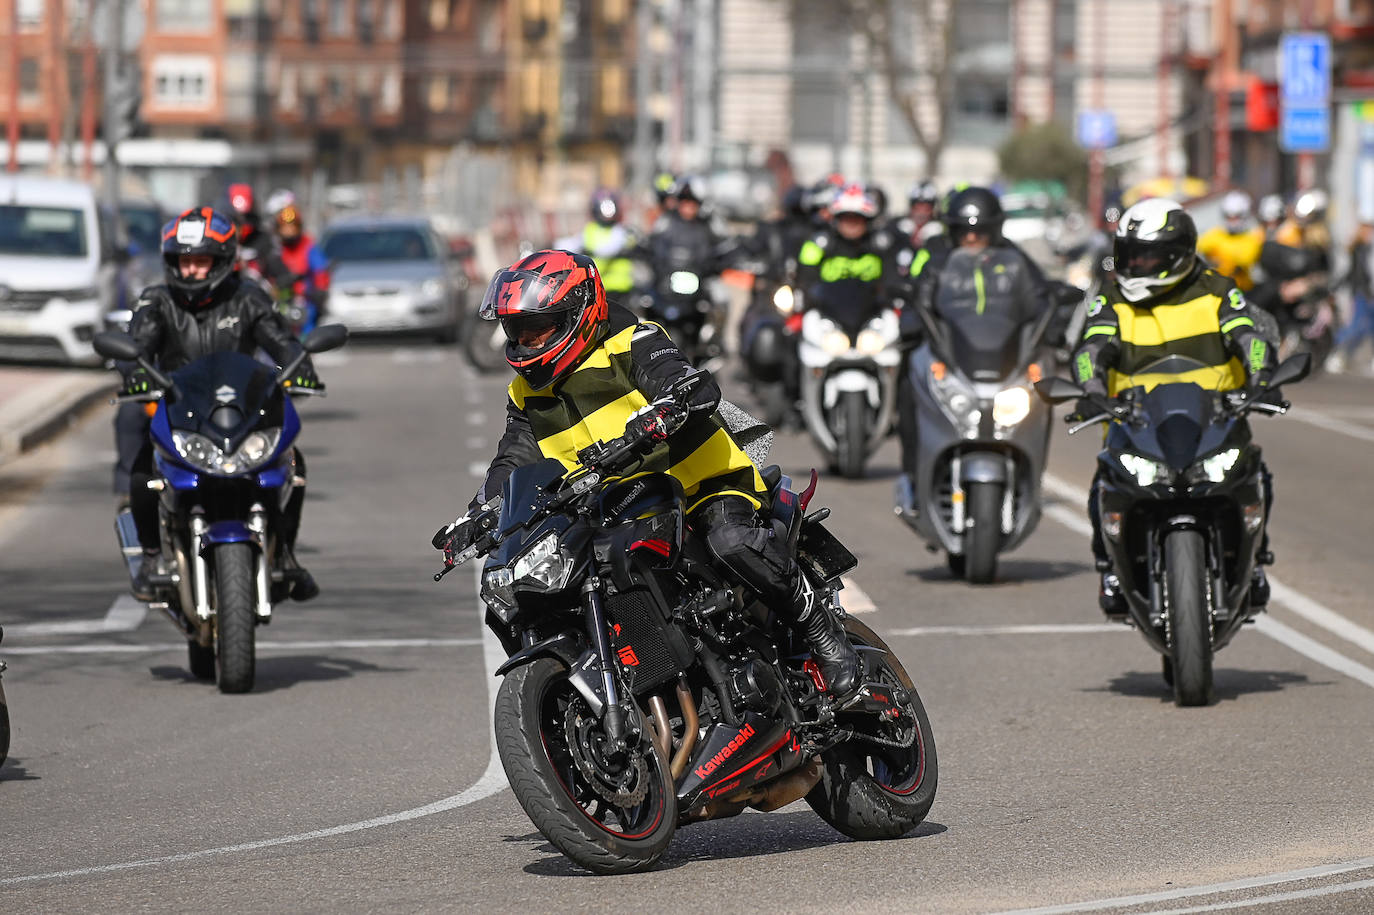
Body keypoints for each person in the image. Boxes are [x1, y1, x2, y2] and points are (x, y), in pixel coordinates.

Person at [433, 250, 860, 695]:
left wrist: (670, 405)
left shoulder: (633, 341)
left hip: (702, 485)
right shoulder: (524, 392)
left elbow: (684, 379)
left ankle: (823, 633)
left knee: (730, 542)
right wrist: (477, 514)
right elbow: (513, 459)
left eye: (538, 328)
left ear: (579, 313)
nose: (527, 341)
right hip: (615, 503)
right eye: (517, 330)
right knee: (523, 585)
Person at [1070, 198, 1277, 616]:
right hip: (1136, 422)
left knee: (1255, 473)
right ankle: (1110, 566)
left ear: (1179, 254)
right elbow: (1090, 349)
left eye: (1148, 255)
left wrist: (1261, 379)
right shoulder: (1111, 298)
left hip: (1215, 419)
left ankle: (1256, 560)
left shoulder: (1219, 291)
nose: (1136, 263)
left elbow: (1251, 338)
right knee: (1102, 485)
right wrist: (1092, 390)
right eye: (1130, 254)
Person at [123, 207, 322, 601]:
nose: (192, 270)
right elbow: (136, 345)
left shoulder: (248, 298)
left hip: (241, 414)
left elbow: (280, 341)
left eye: (201, 261)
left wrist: (299, 366)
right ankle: (150, 557)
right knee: (143, 473)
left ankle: (283, 552)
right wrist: (133, 369)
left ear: (223, 261)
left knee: (293, 465)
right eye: (184, 261)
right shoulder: (157, 301)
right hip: (182, 414)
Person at [895, 186, 1048, 500]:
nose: (972, 239)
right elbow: (917, 298)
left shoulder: (1016, 260)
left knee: (1044, 388)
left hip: (1002, 359)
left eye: (980, 232)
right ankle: (913, 473)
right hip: (951, 354)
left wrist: (1055, 322)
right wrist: (909, 322)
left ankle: (1033, 477)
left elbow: (1042, 297)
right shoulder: (937, 260)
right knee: (909, 382)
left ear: (995, 230)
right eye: (964, 232)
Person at [562, 189, 639, 297]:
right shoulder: (589, 230)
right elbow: (570, 244)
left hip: (619, 288)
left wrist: (590, 251)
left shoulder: (621, 231)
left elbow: (610, 248)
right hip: (595, 287)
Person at [274, 203, 331, 334]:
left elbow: (320, 271)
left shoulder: (308, 246)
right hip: (282, 299)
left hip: (305, 300)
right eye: (284, 228)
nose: (288, 231)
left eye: (292, 227)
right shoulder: (276, 249)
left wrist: (320, 291)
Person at [1326, 221, 1374, 373]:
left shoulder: (1365, 249)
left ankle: (1343, 356)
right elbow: (1355, 273)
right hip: (1362, 293)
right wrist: (1335, 286)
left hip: (1365, 293)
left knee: (1368, 327)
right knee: (1356, 326)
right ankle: (1337, 354)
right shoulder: (1360, 250)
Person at [225, 182, 292, 290]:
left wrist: (285, 281)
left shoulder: (263, 238)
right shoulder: (221, 243)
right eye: (236, 222)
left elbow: (276, 266)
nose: (240, 228)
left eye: (245, 220)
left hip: (257, 295)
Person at [1197, 190, 1265, 291]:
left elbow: (1243, 261)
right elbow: (1198, 249)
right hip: (1214, 289)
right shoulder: (1215, 234)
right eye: (1229, 217)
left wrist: (1216, 258)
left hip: (1241, 291)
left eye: (1236, 217)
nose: (1232, 221)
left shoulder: (1251, 239)